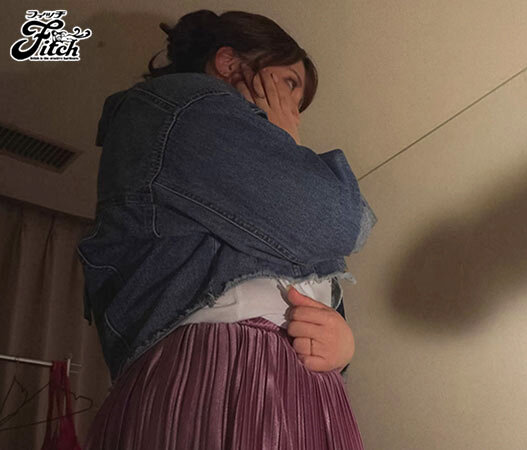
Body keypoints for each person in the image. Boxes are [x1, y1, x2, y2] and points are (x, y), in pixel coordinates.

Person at [77, 9, 377, 449]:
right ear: (228, 63)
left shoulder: (243, 181)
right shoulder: (183, 104)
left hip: (295, 383)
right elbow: (340, 222)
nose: (292, 111)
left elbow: (315, 255)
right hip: (223, 367)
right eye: (288, 83)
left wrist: (342, 348)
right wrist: (287, 143)